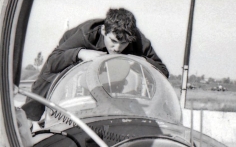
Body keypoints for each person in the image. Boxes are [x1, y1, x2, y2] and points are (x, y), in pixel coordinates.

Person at [22, 8, 169, 121]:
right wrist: (80, 53)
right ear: (104, 31)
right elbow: (53, 62)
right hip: (72, 52)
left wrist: (137, 61)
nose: (117, 48)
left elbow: (162, 71)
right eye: (113, 41)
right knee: (49, 76)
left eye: (124, 43)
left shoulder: (137, 39)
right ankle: (28, 118)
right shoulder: (86, 33)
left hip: (113, 69)